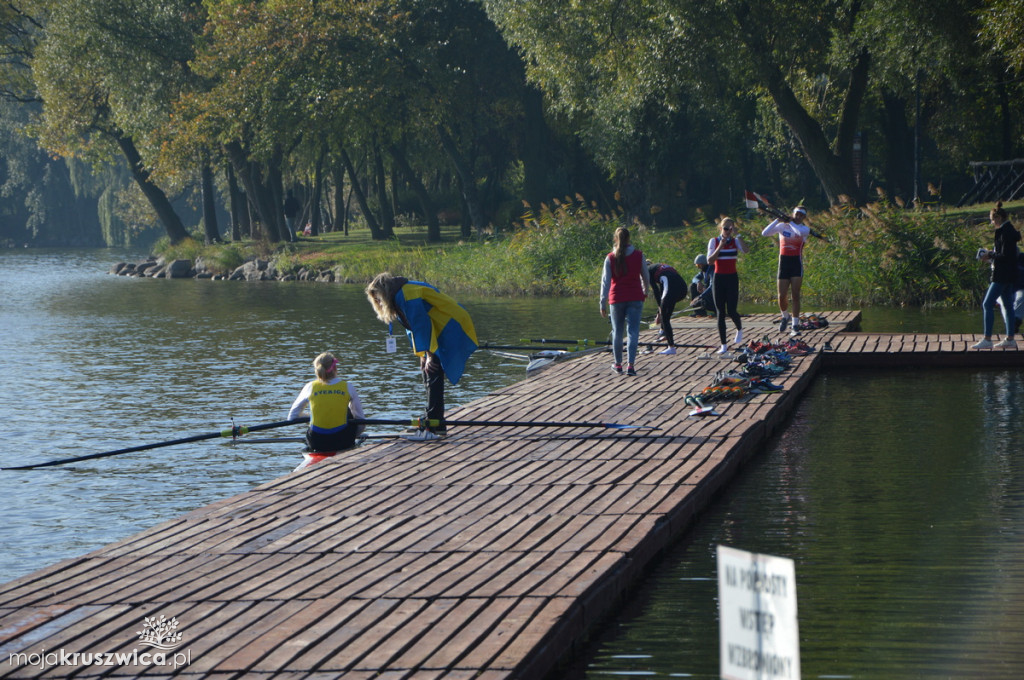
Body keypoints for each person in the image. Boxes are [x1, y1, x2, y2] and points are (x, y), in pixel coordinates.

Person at [365, 273, 478, 434]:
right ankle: (432, 418)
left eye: (378, 298)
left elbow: (422, 326)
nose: (378, 302)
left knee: (434, 370)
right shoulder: (398, 298)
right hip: (436, 327)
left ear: (385, 291)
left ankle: (435, 425)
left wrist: (430, 355)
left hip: (451, 323)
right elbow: (411, 329)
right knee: (427, 372)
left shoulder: (407, 295)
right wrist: (422, 354)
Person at [287, 351, 365, 452]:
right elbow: (361, 422)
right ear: (335, 368)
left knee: (314, 421)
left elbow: (292, 417)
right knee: (349, 413)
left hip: (317, 442)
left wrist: (309, 418)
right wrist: (352, 436)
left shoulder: (310, 387)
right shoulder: (348, 387)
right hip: (343, 441)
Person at [600, 227, 651, 375]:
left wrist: (602, 302)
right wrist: (645, 292)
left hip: (616, 298)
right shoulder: (639, 255)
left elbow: (605, 282)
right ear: (629, 239)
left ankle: (617, 364)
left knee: (617, 332)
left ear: (616, 239)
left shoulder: (610, 257)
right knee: (633, 331)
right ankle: (631, 365)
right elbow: (646, 277)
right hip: (635, 297)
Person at [972, 202, 1022, 349]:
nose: (992, 222)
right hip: (1009, 274)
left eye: (992, 219)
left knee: (987, 304)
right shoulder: (1009, 231)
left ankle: (987, 339)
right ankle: (1010, 339)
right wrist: (992, 255)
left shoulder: (1005, 232)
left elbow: (1005, 255)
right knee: (1007, 306)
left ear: (998, 217)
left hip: (1002, 275)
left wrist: (990, 254)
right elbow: (1007, 254)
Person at [761, 205, 811, 336]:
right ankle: (785, 316)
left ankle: (795, 326)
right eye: (797, 214)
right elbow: (764, 233)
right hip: (783, 263)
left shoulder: (805, 229)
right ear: (793, 214)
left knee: (795, 295)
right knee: (781, 296)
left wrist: (790, 222)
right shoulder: (782, 226)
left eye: (801, 215)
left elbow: (798, 233)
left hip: (796, 263)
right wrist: (777, 220)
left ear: (804, 217)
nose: (798, 216)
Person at [707, 217, 748, 354]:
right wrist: (720, 246)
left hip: (732, 278)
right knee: (720, 312)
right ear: (721, 229)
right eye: (726, 228)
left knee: (731, 310)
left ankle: (739, 328)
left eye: (731, 228)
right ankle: (723, 345)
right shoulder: (714, 241)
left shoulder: (736, 241)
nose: (728, 231)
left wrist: (738, 235)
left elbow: (746, 250)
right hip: (719, 278)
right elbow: (710, 261)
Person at [647, 260, 687, 354]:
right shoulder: (660, 267)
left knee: (664, 316)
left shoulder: (647, 271)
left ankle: (671, 347)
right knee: (666, 315)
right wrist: (659, 311)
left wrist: (660, 311)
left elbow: (656, 291)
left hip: (672, 286)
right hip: (683, 289)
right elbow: (663, 292)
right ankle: (664, 332)